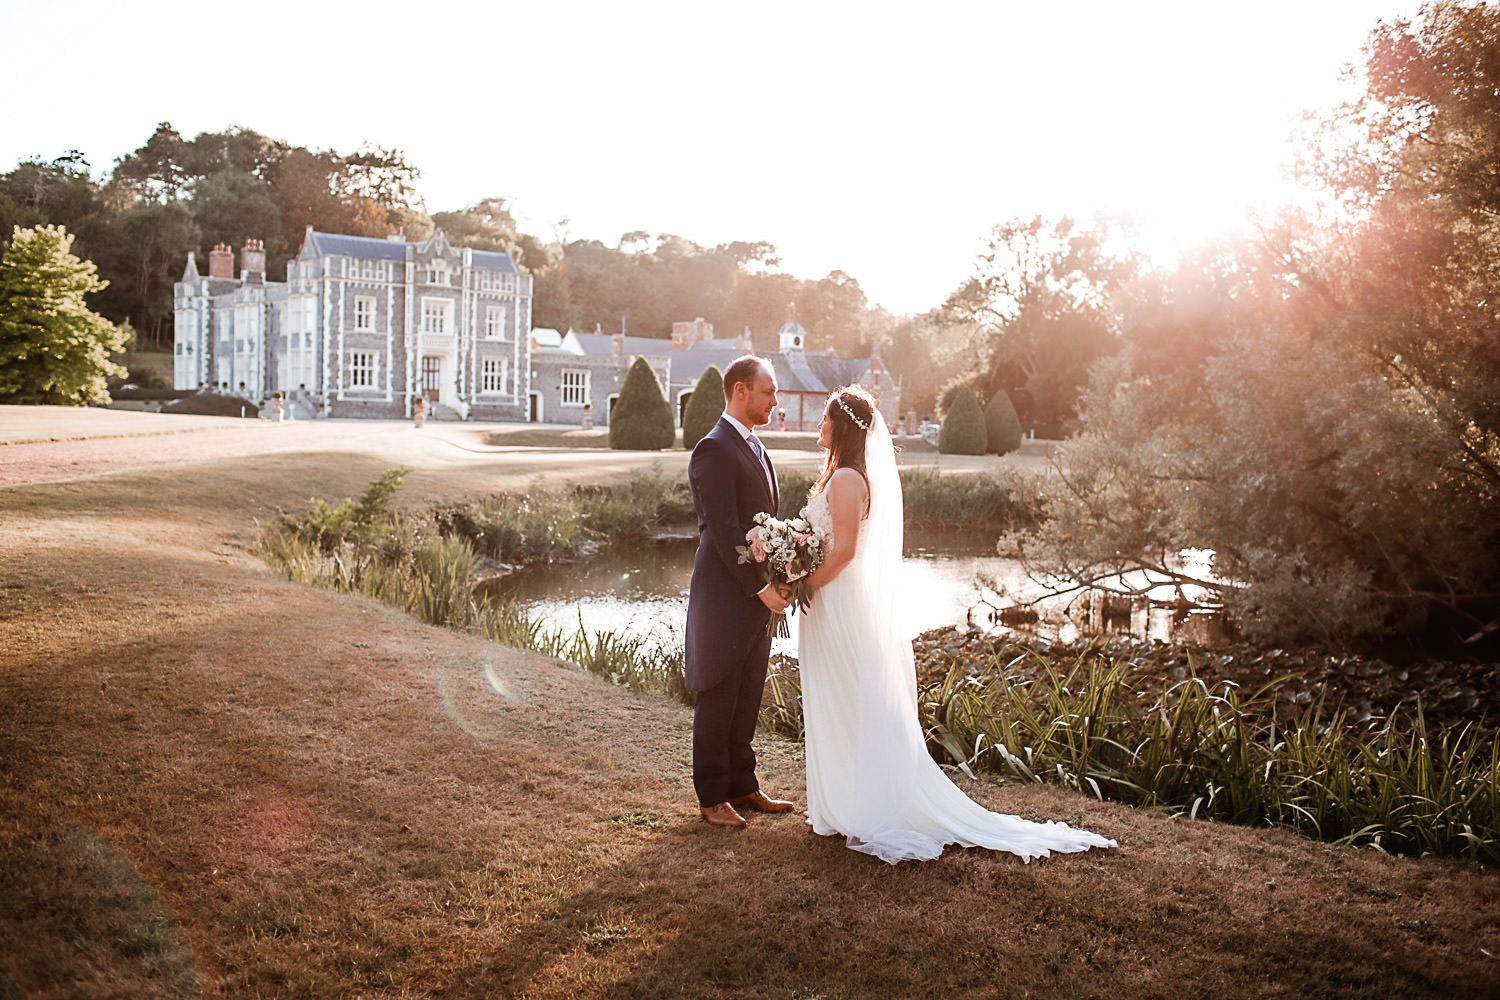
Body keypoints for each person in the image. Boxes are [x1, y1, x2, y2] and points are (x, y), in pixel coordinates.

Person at [797, 385, 1117, 863]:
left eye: (825, 419)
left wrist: (802, 583)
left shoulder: (845, 478)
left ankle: (864, 807)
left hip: (835, 600)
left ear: (842, 427)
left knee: (848, 700)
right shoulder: (845, 476)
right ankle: (844, 803)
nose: (819, 426)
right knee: (840, 699)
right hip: (832, 599)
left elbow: (844, 552)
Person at [684, 355, 796, 829]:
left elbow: (762, 526)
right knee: (720, 692)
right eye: (768, 392)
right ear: (740, 391)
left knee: (749, 693)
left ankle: (743, 786)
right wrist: (759, 590)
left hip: (758, 598)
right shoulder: (713, 449)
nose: (775, 401)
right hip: (726, 598)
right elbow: (723, 529)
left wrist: (785, 568)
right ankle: (712, 797)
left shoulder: (757, 449)